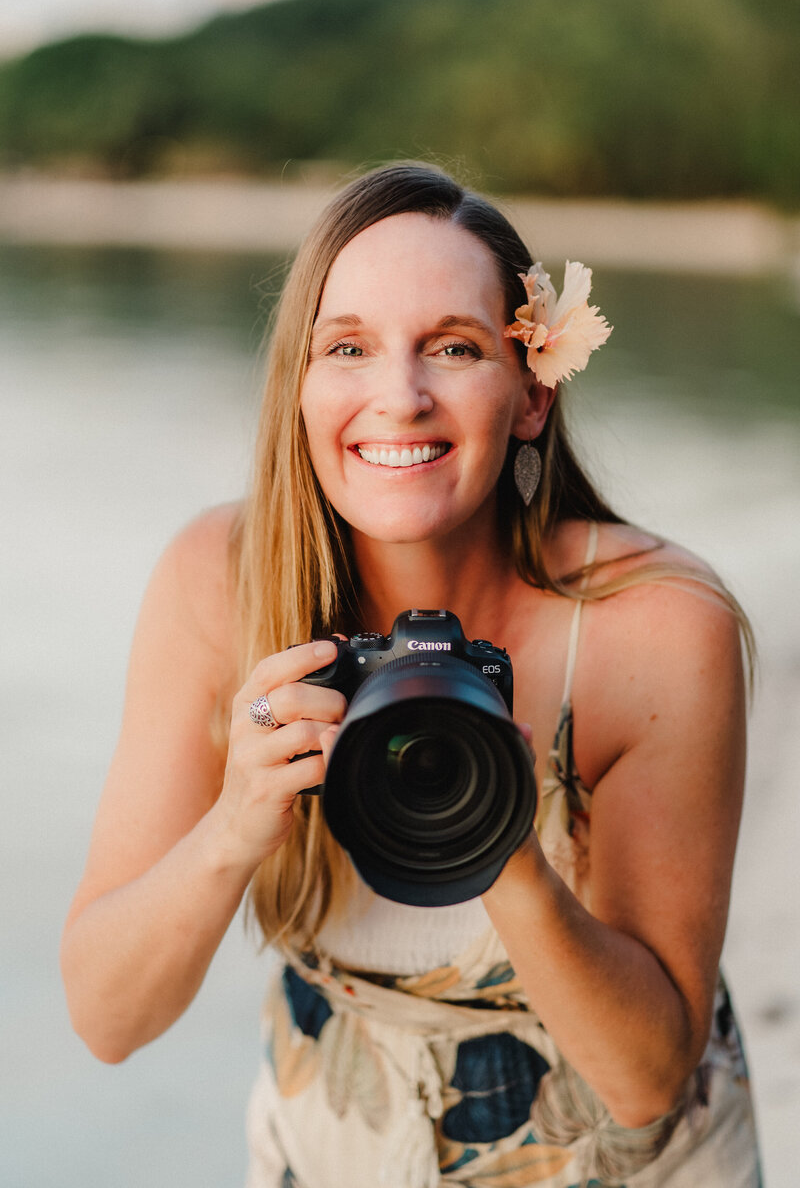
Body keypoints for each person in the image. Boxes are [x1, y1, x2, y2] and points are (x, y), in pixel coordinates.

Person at [61, 163, 761, 1187]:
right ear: (298, 385)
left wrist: (500, 840)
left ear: (528, 394)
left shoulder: (649, 625)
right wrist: (237, 818)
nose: (398, 396)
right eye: (346, 346)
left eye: (452, 346)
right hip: (332, 1146)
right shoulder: (220, 584)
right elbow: (107, 1018)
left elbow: (647, 1075)